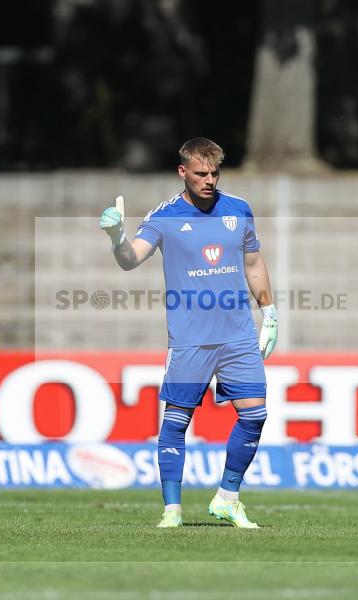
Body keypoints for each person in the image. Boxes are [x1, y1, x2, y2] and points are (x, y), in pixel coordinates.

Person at [99, 137, 277, 528]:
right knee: (177, 421)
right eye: (200, 173)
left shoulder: (238, 210)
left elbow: (254, 264)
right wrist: (117, 239)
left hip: (237, 335)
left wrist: (270, 311)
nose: (209, 180)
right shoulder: (164, 217)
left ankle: (228, 498)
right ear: (183, 172)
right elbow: (132, 260)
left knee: (256, 415)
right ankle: (172, 510)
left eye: (215, 172)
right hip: (191, 338)